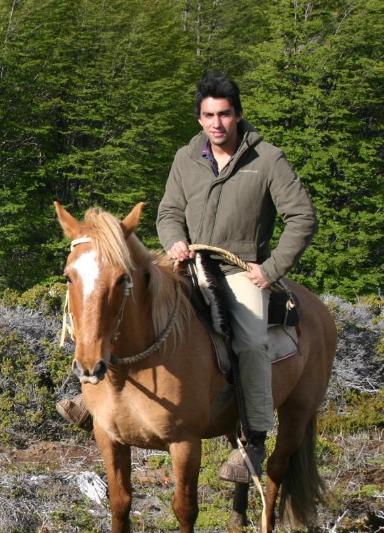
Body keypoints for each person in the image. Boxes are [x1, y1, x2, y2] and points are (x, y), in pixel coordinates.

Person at [58, 73, 316, 485]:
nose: (217, 123)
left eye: (225, 114)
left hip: (238, 270)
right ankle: (96, 397)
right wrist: (175, 241)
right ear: (199, 119)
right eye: (209, 115)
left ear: (238, 115)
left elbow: (302, 217)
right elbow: (168, 212)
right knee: (115, 300)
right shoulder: (186, 158)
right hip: (187, 264)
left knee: (250, 340)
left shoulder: (267, 160)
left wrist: (270, 269)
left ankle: (252, 438)